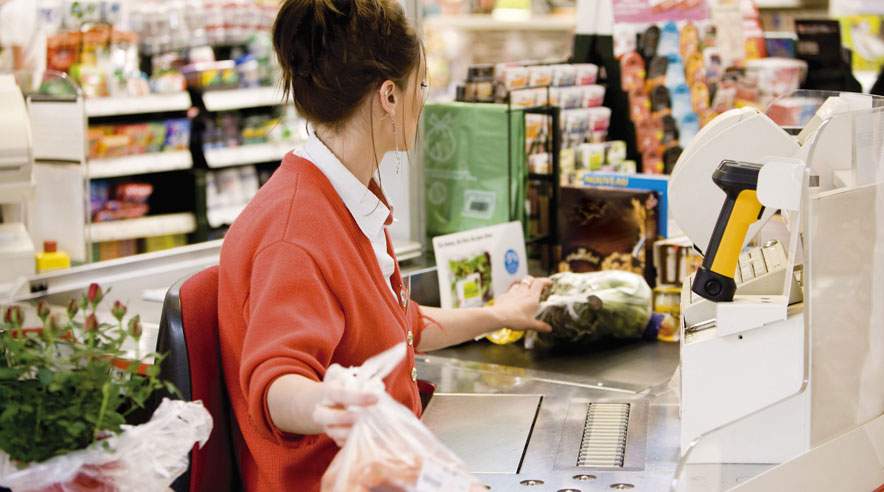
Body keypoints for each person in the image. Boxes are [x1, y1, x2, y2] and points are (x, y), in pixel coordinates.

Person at [217, 1, 552, 490]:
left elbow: (398, 327)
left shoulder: (343, 197)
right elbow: (277, 382)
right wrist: (326, 402)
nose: (423, 101)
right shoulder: (294, 232)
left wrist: (498, 314)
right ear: (390, 96)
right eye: (422, 86)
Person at [0, 0, 45, 90]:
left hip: (14, 82)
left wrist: (19, 86)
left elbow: (17, 48)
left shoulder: (10, 11)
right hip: (33, 75)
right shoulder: (30, 4)